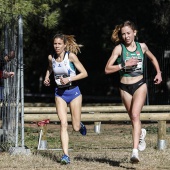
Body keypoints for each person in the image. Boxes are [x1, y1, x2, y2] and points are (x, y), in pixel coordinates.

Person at [105, 20, 162, 163]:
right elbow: (107, 69)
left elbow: (153, 58)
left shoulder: (141, 47)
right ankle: (141, 133)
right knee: (133, 117)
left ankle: (134, 152)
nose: (126, 36)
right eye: (123, 34)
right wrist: (124, 64)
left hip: (139, 85)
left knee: (136, 116)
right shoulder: (119, 49)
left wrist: (159, 73)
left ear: (134, 33)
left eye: (128, 33)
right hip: (124, 87)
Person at [44, 33, 88, 164]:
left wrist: (69, 79)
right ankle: (66, 156)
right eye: (55, 44)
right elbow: (50, 68)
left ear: (64, 45)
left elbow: (85, 73)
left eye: (59, 44)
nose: (57, 46)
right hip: (60, 94)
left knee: (74, 127)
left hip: (74, 92)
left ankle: (79, 124)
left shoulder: (71, 57)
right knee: (63, 124)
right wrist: (47, 77)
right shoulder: (51, 57)